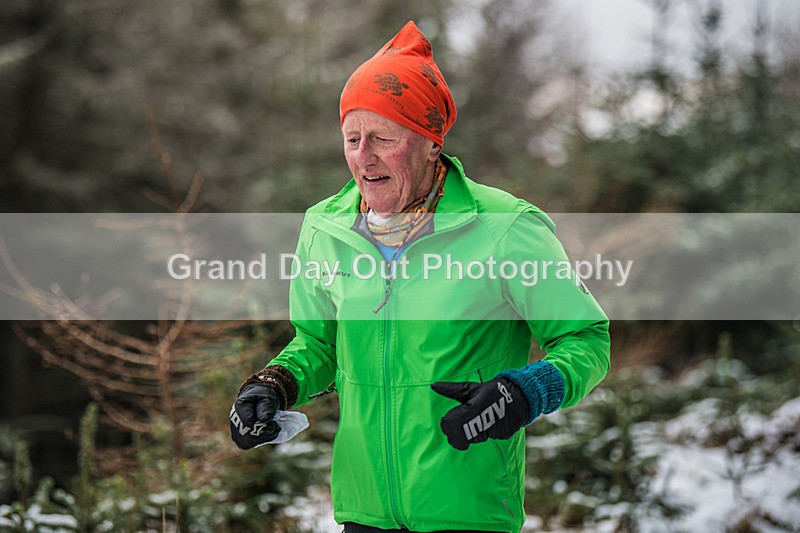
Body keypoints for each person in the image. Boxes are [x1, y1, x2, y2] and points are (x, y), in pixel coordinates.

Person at [230, 21, 610, 533]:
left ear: (431, 143)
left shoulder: (504, 228)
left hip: (468, 514)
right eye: (352, 138)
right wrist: (274, 384)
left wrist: (526, 390)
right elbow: (320, 344)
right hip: (363, 512)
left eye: (383, 138)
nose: (363, 158)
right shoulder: (324, 226)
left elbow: (586, 339)